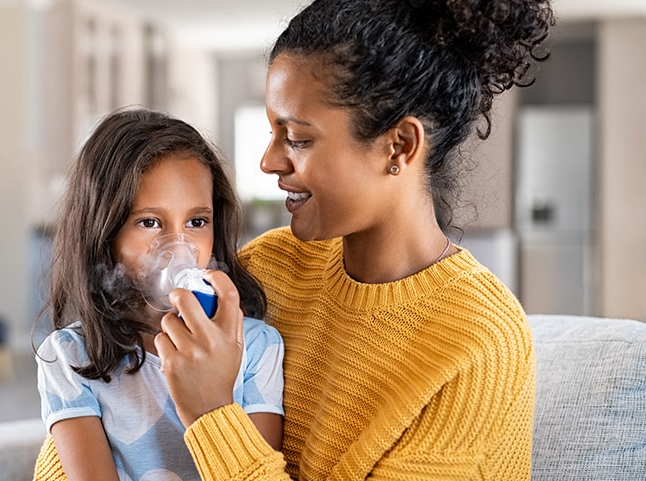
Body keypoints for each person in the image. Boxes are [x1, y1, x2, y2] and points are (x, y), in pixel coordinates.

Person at [153, 0, 555, 479]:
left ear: (399, 145)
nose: (269, 162)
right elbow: (112, 395)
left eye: (298, 138)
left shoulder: (481, 344)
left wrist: (211, 414)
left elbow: (201, 411)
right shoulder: (268, 267)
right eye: (272, 131)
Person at [32, 108, 285, 481]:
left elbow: (253, 472)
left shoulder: (256, 348)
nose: (178, 245)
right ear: (104, 232)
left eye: (197, 222)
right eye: (149, 222)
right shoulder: (70, 358)